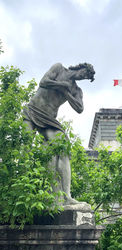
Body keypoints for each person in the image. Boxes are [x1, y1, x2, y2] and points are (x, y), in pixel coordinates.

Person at [23, 62, 95, 205]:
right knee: (25, 150)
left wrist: (67, 92)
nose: (83, 77)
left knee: (63, 147)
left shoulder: (76, 90)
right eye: (85, 73)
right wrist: (62, 86)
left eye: (86, 77)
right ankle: (23, 190)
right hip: (32, 111)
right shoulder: (59, 68)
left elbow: (79, 108)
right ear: (81, 67)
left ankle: (66, 196)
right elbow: (43, 82)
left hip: (49, 119)